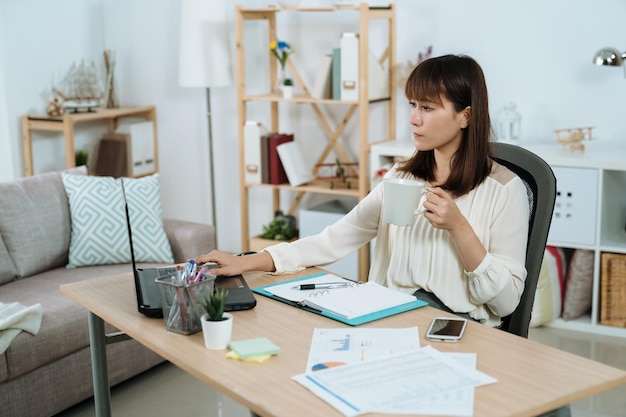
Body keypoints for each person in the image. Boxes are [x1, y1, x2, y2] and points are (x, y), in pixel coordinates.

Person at [196, 54, 530, 327]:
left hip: (461, 330)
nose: (414, 119)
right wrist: (248, 262)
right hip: (390, 319)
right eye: (412, 105)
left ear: (466, 116)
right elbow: (332, 240)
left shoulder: (505, 190)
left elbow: (506, 301)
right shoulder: (401, 178)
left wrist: (459, 227)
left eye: (427, 108)